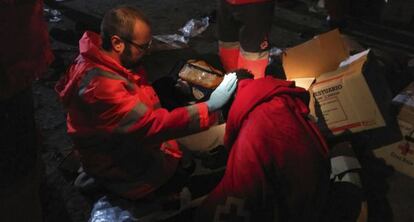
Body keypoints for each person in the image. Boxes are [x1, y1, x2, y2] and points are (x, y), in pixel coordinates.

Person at [55, 5, 237, 201]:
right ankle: (173, 194)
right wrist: (209, 108)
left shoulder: (98, 59)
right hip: (128, 172)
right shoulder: (100, 90)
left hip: (120, 147)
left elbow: (136, 98)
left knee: (167, 89)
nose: (148, 52)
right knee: (209, 185)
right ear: (117, 43)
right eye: (143, 47)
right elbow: (151, 126)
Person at [195, 70, 331, 221]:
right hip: (317, 190)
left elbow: (235, 200)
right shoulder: (283, 102)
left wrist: (202, 212)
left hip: (297, 211)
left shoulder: (253, 133)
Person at [0, 0, 54, 221]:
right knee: (14, 174)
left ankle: (34, 184)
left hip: (17, 68)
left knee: (25, 148)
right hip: (7, 75)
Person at [217, 0, 275, 79]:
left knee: (252, 54)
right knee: (227, 44)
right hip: (227, 3)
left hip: (256, 4)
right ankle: (228, 82)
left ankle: (248, 87)